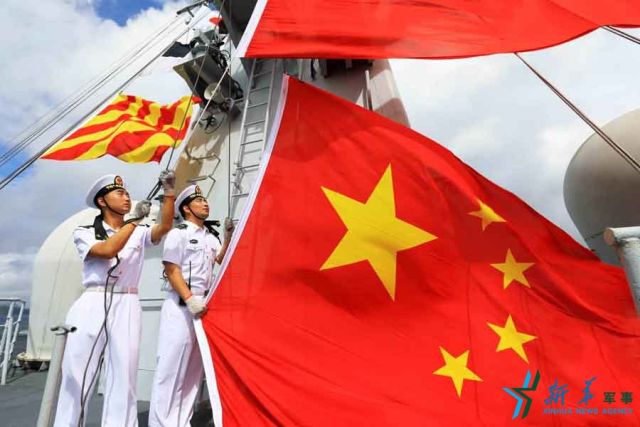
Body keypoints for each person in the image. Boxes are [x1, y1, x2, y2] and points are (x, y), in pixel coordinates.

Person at [54, 171, 176, 427]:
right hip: (93, 300)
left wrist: (168, 192)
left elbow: (164, 227)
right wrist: (134, 221)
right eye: (119, 193)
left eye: (127, 193)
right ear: (102, 201)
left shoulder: (139, 231)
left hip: (128, 301)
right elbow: (107, 250)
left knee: (125, 374)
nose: (126, 197)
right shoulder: (85, 232)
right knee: (77, 374)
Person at [148, 184, 234, 427]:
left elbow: (220, 259)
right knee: (171, 368)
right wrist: (189, 298)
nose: (205, 203)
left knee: (192, 371)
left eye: (205, 200)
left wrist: (227, 237)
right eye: (199, 200)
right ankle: (161, 424)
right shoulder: (179, 234)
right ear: (186, 208)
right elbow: (171, 269)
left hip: (202, 306)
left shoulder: (210, 237)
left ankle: (181, 422)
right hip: (181, 305)